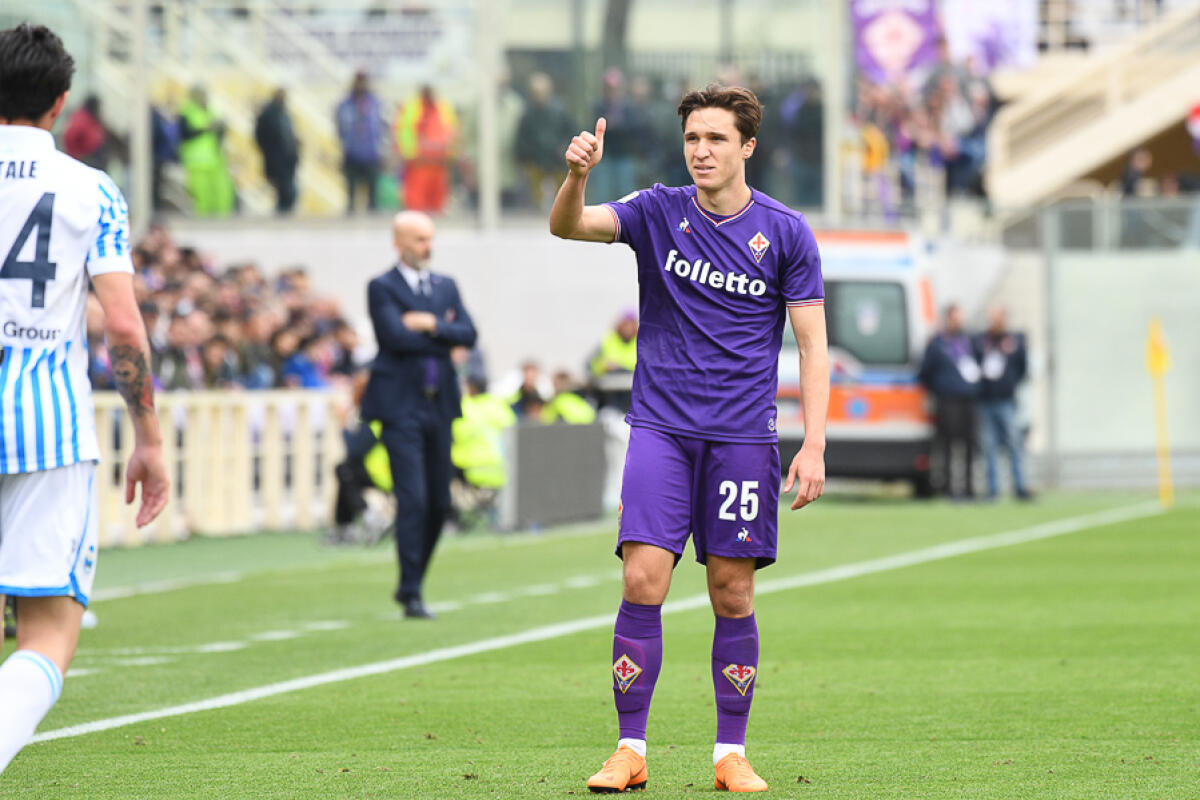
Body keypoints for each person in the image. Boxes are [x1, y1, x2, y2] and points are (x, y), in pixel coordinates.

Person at [549, 84, 829, 793]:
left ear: (747, 148)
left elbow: (813, 347)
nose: (701, 152)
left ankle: (729, 753)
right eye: (693, 139)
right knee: (643, 577)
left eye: (716, 140)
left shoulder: (787, 232)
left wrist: (814, 442)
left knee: (731, 593)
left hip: (742, 439)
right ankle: (629, 749)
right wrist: (577, 174)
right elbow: (568, 228)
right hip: (661, 430)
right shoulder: (656, 211)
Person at [0, 23, 169, 774]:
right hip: (47, 432)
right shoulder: (90, 189)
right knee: (46, 637)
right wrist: (151, 437)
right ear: (61, 102)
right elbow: (124, 331)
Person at [361, 211, 477, 619]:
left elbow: (469, 333)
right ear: (399, 243)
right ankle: (411, 591)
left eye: (429, 238)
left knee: (440, 502)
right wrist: (441, 334)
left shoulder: (445, 286)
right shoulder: (382, 286)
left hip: (439, 404)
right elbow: (393, 336)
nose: (427, 247)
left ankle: (413, 582)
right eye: (418, 240)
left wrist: (429, 325)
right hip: (400, 407)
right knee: (413, 499)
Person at [918, 304, 981, 499]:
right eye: (955, 317)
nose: (958, 322)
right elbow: (925, 372)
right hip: (947, 400)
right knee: (948, 445)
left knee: (970, 444)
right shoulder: (938, 343)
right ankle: (949, 488)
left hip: (968, 400)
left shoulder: (969, 341)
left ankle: (969, 488)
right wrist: (940, 388)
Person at [973, 307, 1032, 500]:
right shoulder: (981, 340)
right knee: (988, 446)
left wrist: (1010, 383)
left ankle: (1020, 486)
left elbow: (1022, 368)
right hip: (985, 400)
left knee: (1014, 444)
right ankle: (993, 489)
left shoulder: (1014, 341)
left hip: (1007, 400)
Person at [394, 85, 458, 213]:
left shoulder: (444, 108)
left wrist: (449, 154)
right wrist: (410, 153)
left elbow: (453, 133)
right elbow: (402, 134)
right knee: (416, 207)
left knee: (437, 207)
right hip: (418, 166)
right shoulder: (411, 108)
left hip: (439, 167)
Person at [178, 86, 235, 217]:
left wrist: (221, 127)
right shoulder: (187, 112)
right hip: (197, 162)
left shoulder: (213, 110)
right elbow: (185, 134)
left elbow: (221, 132)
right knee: (201, 195)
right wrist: (207, 128)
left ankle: (223, 220)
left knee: (222, 192)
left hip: (216, 160)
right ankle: (201, 220)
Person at [336, 71, 386, 214]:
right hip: (352, 152)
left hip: (371, 153)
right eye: (359, 81)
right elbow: (340, 127)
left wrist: (381, 149)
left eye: (364, 81)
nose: (361, 85)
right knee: (351, 192)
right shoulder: (346, 104)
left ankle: (373, 217)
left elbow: (380, 128)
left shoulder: (375, 103)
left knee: (373, 195)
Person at [254, 88, 300, 214]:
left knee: (289, 191)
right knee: (284, 190)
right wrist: (268, 152)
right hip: (276, 159)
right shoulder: (268, 114)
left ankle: (284, 213)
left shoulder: (283, 113)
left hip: (288, 158)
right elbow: (260, 136)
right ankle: (282, 215)